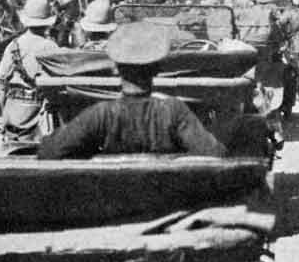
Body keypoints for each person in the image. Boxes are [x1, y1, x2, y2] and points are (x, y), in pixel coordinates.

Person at [37, 21, 226, 159]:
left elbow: (49, 151)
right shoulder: (173, 111)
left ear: (115, 68)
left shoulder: (102, 114)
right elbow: (214, 153)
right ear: (156, 68)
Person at [0, 0, 59, 141]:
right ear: (48, 22)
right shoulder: (51, 47)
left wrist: (4, 116)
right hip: (41, 116)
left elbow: (2, 87)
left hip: (14, 115)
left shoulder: (13, 46)